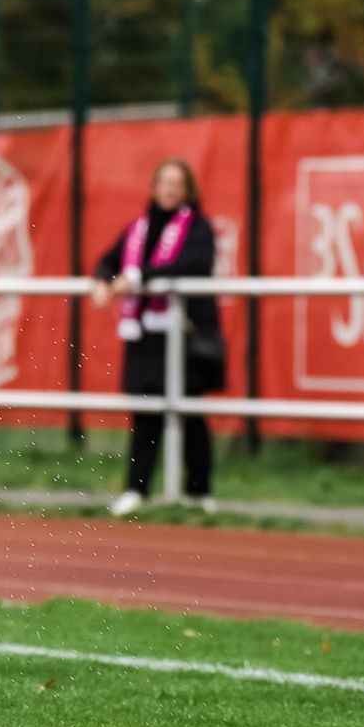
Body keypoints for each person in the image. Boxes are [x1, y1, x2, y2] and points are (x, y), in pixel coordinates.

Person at [91, 158, 226, 516]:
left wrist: (137, 278)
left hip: (181, 335)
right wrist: (103, 281)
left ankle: (199, 492)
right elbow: (108, 261)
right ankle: (137, 489)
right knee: (146, 412)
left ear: (187, 189)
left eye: (177, 182)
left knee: (190, 413)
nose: (170, 189)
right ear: (154, 186)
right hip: (145, 337)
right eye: (164, 181)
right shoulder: (138, 227)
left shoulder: (198, 227)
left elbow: (195, 264)